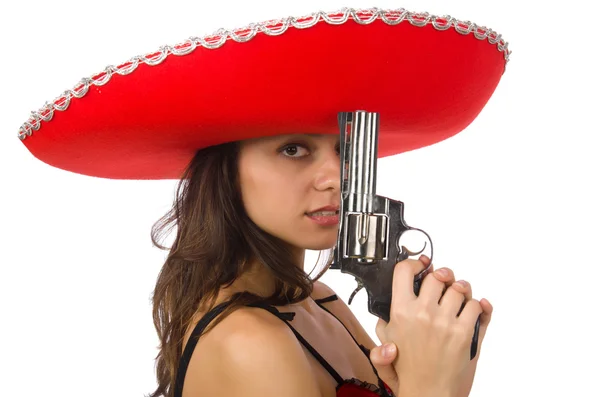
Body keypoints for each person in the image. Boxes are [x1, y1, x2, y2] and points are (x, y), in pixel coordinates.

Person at [16, 7, 509, 397]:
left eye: (342, 151)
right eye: (293, 149)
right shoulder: (249, 342)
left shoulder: (321, 302)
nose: (334, 178)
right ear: (225, 173)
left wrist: (431, 356)